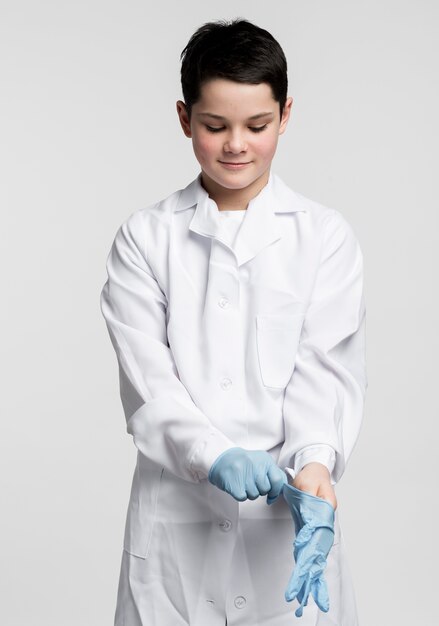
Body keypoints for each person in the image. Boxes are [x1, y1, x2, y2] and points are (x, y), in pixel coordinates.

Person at [100, 17, 367, 626]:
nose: (236, 145)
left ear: (286, 114)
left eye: (257, 125)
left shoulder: (324, 238)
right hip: (176, 537)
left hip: (284, 535)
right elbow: (150, 385)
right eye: (214, 126)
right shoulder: (146, 239)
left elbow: (322, 375)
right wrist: (214, 456)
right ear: (183, 117)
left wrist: (316, 468)